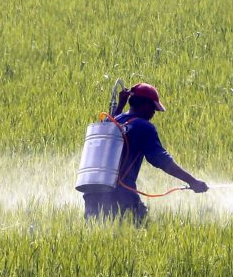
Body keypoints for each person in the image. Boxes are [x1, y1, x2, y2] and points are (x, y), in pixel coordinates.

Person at [83, 82, 209, 222]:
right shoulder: (143, 126)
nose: (154, 113)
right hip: (121, 194)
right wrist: (193, 182)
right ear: (145, 105)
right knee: (139, 233)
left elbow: (110, 127)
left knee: (98, 235)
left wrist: (120, 105)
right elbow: (162, 160)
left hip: (92, 192)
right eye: (153, 108)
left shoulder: (114, 120)